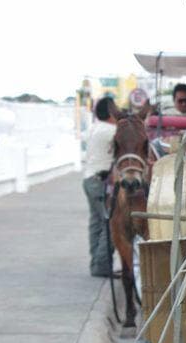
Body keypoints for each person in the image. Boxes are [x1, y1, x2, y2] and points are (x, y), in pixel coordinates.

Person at [82, 97, 117, 276]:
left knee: (96, 223)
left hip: (88, 179)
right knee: (111, 224)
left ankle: (96, 263)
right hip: (101, 182)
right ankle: (101, 266)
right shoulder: (113, 131)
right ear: (111, 111)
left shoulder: (92, 128)